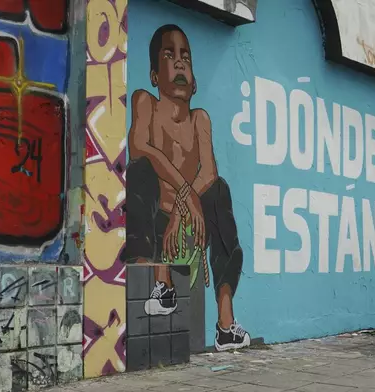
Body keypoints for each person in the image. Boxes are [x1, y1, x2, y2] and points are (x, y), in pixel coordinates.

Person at [125, 24, 250, 352]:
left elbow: (208, 172)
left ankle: (225, 325)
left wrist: (184, 209)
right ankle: (161, 287)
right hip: (156, 214)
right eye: (169, 55)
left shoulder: (200, 120)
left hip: (187, 217)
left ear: (193, 82)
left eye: (186, 57)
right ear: (154, 75)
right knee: (138, 172)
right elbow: (140, 149)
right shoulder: (145, 103)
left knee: (220, 190)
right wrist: (184, 195)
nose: (179, 63)